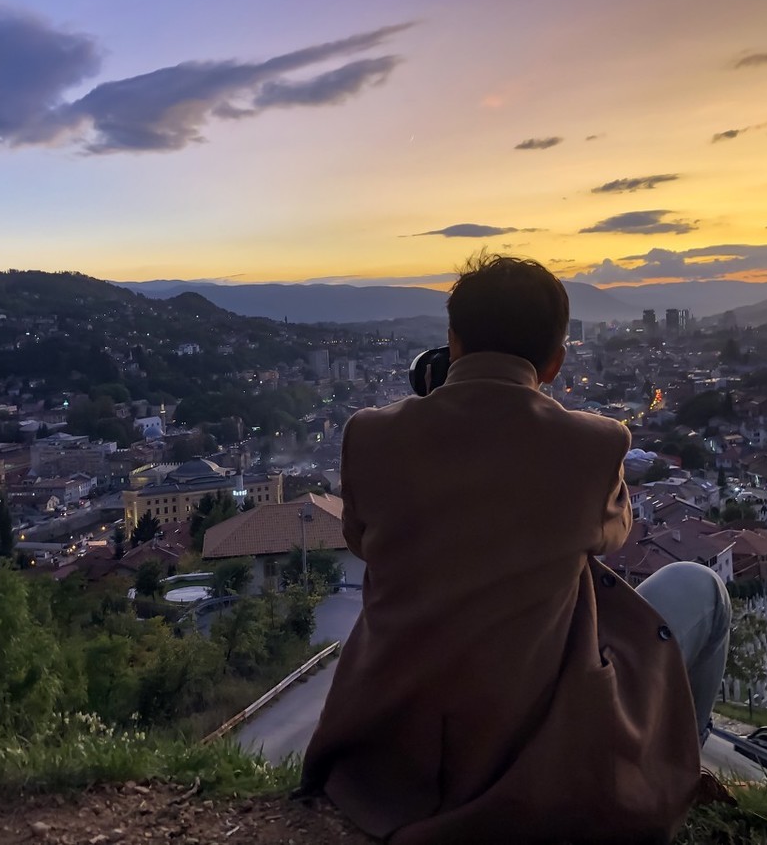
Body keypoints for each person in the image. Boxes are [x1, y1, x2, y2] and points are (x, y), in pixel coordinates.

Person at [300, 253, 731, 844]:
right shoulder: (593, 444)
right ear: (555, 361)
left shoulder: (369, 434)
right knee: (702, 589)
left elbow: (360, 539)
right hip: (538, 754)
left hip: (386, 758)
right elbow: (612, 535)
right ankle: (682, 763)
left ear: (452, 343)